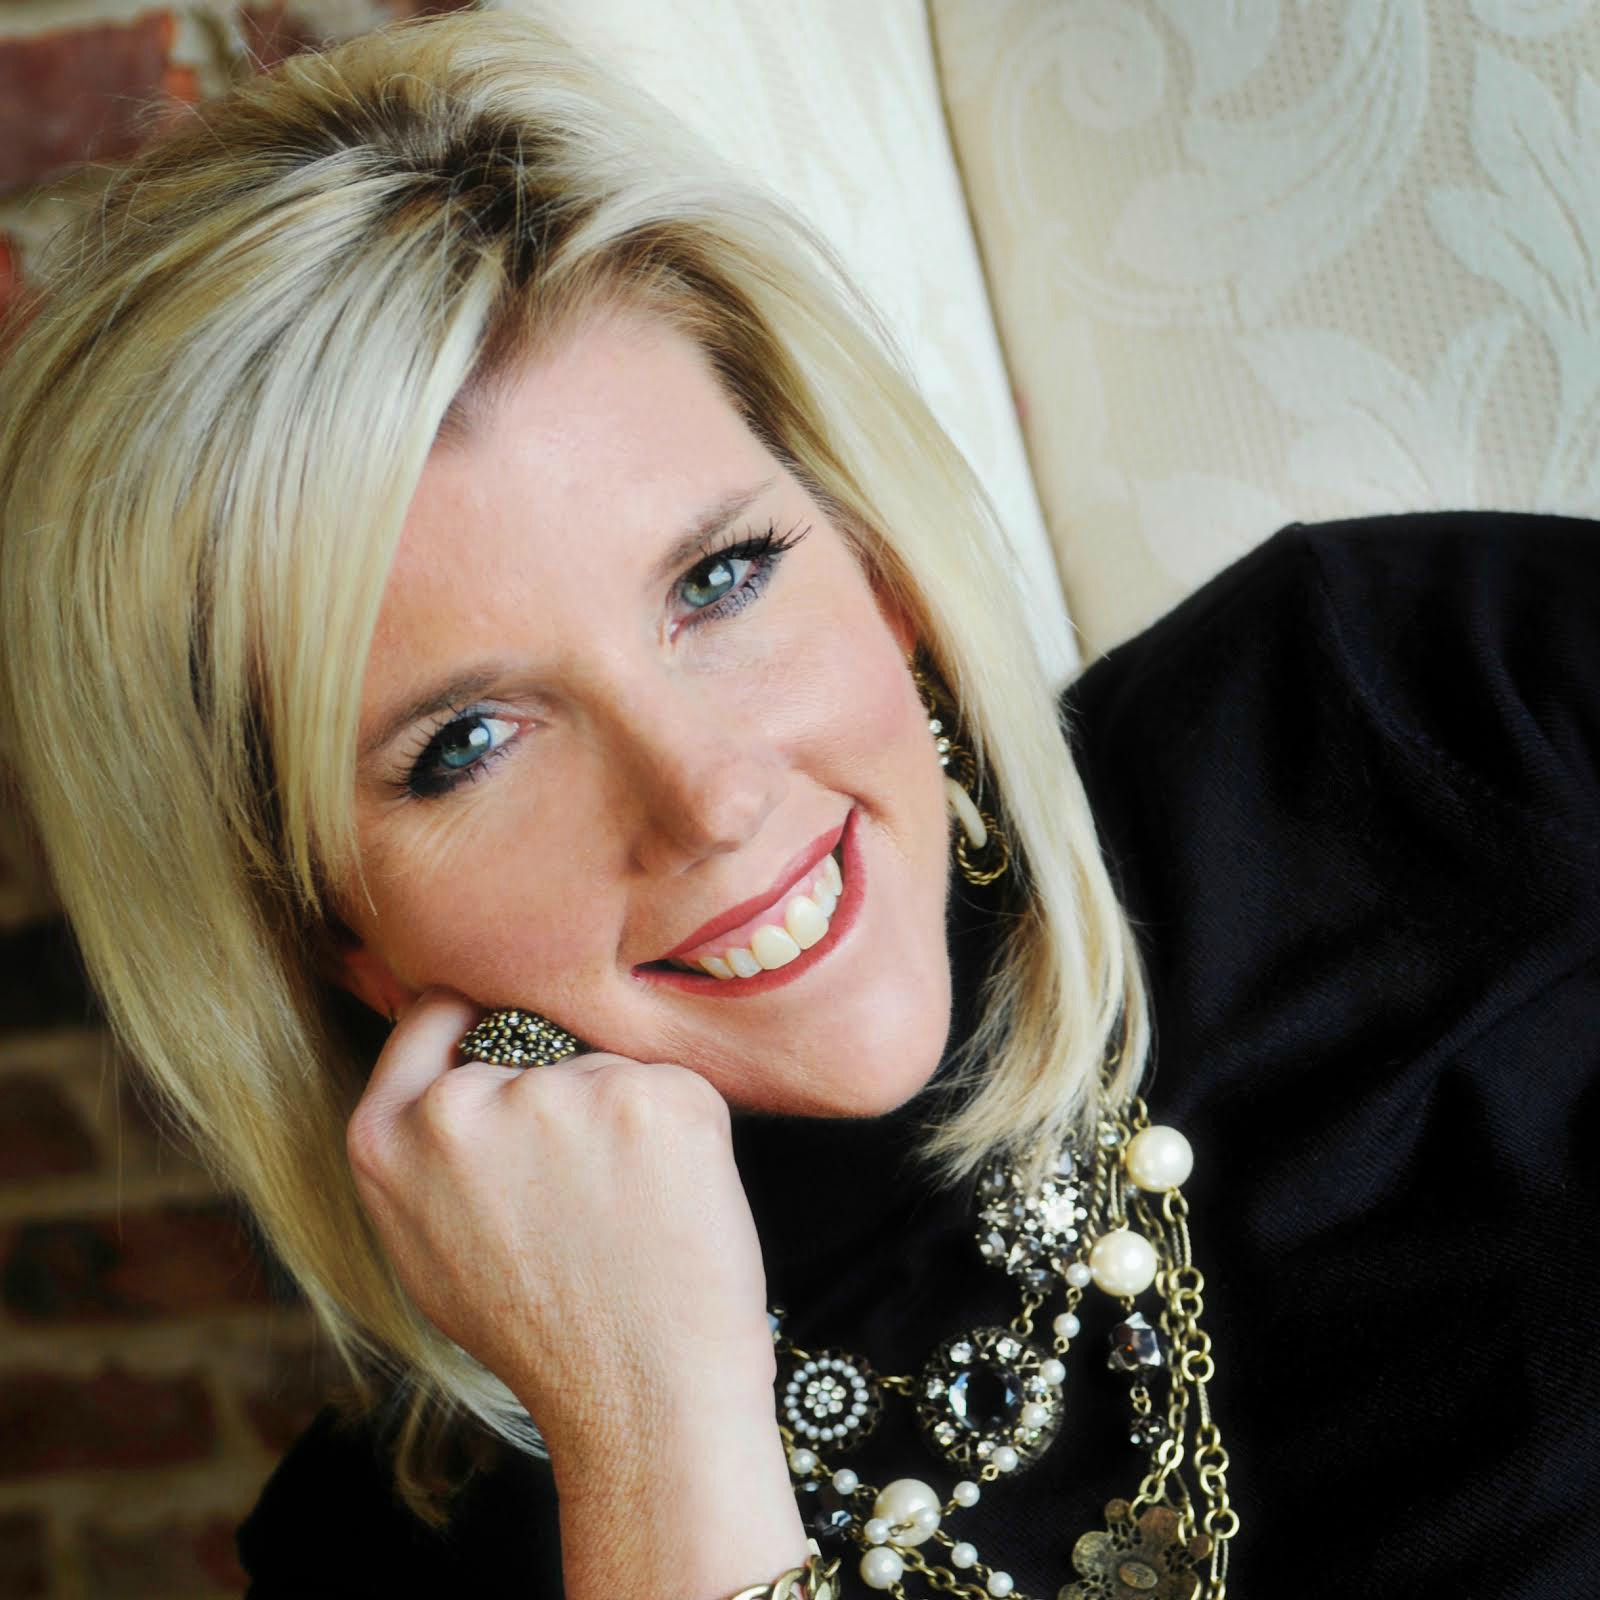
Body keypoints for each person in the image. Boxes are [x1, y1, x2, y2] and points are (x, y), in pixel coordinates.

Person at [0, 12, 1595, 1599]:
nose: (706, 796)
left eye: (720, 579)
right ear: (323, 924)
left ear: (876, 564)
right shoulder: (389, 1562)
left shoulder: (1414, 716)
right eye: (471, 740)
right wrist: (650, 1434)